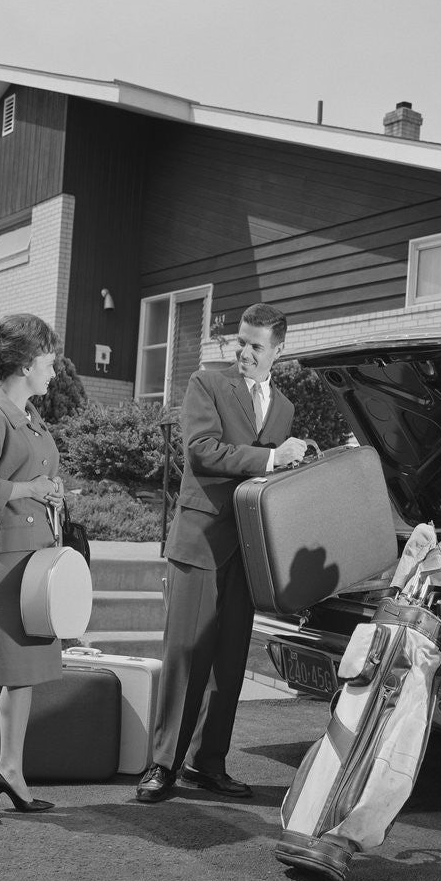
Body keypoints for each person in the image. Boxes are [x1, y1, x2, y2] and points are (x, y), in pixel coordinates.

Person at [137, 304, 307, 803]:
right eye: (241, 342)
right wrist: (273, 457)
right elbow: (202, 451)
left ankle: (207, 764)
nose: (245, 352)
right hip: (200, 542)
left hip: (249, 549)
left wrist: (295, 467)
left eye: (257, 345)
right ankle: (162, 764)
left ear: (280, 349)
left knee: (229, 662)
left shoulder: (285, 408)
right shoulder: (206, 384)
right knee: (184, 656)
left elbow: (271, 483)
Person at [0, 313, 65, 823]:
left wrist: (54, 493)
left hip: (34, 556)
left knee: (21, 675)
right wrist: (29, 490)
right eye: (49, 361)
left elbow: (39, 475)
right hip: (3, 560)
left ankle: (11, 771)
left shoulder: (30, 416)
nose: (55, 371)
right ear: (25, 364)